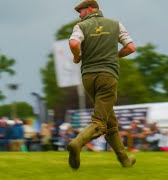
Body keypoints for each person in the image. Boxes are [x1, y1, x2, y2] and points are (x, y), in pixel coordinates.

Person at [67, 0, 136, 169]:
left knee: (110, 121)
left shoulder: (80, 27)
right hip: (108, 76)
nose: (79, 14)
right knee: (100, 121)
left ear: (90, 9)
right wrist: (115, 56)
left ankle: (125, 161)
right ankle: (77, 143)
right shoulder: (115, 24)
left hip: (88, 77)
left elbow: (74, 43)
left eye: (81, 11)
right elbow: (131, 48)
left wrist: (77, 57)